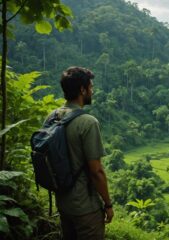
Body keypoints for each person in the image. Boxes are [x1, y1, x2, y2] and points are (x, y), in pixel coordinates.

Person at [49, 66, 113, 239]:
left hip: (63, 203)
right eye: (90, 87)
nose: (92, 90)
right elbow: (97, 171)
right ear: (82, 90)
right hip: (86, 209)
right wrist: (108, 204)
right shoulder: (88, 122)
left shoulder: (52, 117)